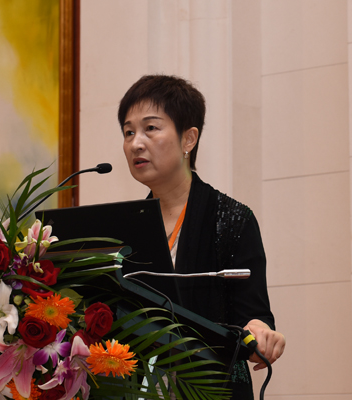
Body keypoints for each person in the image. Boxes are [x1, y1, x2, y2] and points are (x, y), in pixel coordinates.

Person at [118, 75, 285, 399]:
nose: (136, 143)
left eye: (150, 128)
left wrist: (260, 332)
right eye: (128, 132)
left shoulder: (232, 219)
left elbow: (254, 314)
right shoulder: (125, 228)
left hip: (210, 388)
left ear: (188, 139)